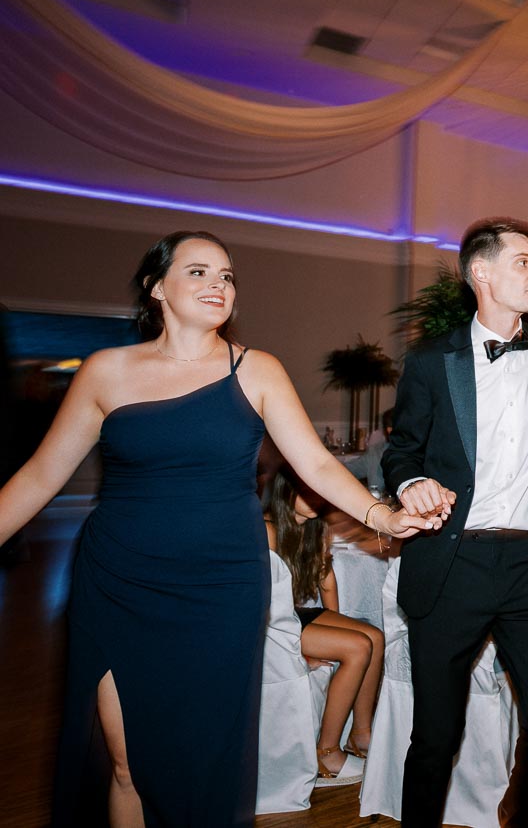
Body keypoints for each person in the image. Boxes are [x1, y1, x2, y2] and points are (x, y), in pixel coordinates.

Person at [0, 231, 446, 827]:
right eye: (200, 272)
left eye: (228, 275)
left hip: (221, 587)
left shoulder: (256, 370)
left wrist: (383, 515)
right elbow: (38, 477)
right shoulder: (106, 371)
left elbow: (313, 464)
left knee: (203, 754)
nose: (219, 285)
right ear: (157, 288)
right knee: (128, 761)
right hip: (118, 581)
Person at [382, 216, 528, 828]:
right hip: (453, 565)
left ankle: (516, 817)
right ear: (481, 272)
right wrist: (411, 482)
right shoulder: (431, 361)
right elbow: (402, 449)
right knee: (435, 735)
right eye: (524, 262)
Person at [264, 468, 385, 786]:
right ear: (286, 492)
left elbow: (325, 580)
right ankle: (326, 752)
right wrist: (295, 654)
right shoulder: (268, 530)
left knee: (372, 636)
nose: (317, 497)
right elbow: (264, 604)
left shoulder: (316, 528)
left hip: (297, 613)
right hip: (273, 625)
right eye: (307, 491)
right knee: (357, 647)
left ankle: (360, 735)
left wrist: (342, 627)